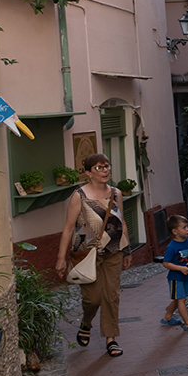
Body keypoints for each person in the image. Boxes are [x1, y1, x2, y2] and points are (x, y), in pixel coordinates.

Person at [55, 153, 132, 357]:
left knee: (111, 295)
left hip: (114, 251)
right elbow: (69, 228)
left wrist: (127, 249)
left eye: (107, 166)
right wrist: (61, 259)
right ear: (88, 173)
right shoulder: (78, 196)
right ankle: (86, 323)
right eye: (99, 167)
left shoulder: (116, 193)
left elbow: (121, 221)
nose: (105, 170)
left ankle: (111, 339)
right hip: (87, 255)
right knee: (92, 299)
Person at [160, 215, 188, 330]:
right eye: (184, 228)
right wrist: (180, 268)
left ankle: (167, 317)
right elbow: (166, 263)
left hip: (186, 276)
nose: (187, 229)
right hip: (176, 277)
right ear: (175, 231)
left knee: (178, 298)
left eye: (187, 227)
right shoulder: (171, 247)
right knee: (181, 299)